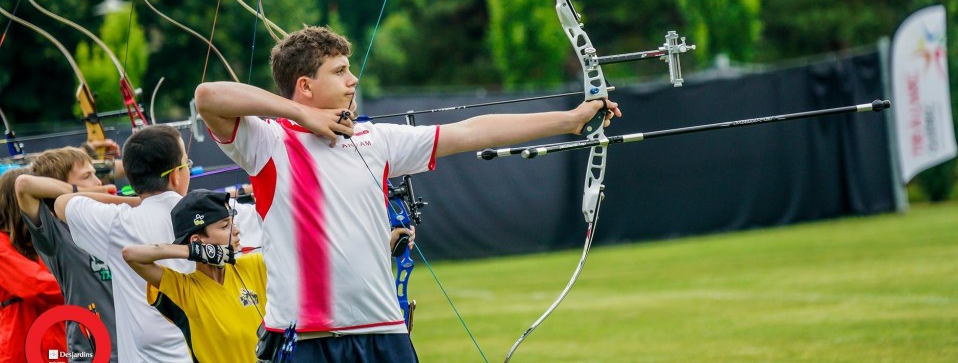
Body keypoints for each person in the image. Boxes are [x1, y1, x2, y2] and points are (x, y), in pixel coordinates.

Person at [194, 25, 621, 362]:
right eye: (340, 71)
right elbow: (208, 96)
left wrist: (570, 120)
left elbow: (472, 132)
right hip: (306, 338)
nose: (353, 79)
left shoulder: (376, 139)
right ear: (304, 85)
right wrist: (299, 113)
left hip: (384, 333)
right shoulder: (268, 143)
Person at [55, 125, 195, 363]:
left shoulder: (117, 224)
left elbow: (62, 202)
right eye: (186, 164)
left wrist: (133, 201)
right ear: (175, 176)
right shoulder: (210, 218)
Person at [122, 189, 266, 363]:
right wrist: (196, 251)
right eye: (225, 226)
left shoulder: (254, 265)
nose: (236, 231)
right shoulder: (184, 290)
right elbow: (131, 255)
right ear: (198, 240)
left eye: (232, 223)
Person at [15, 147, 121, 362]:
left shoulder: (104, 222)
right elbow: (24, 185)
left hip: (133, 349)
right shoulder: (55, 234)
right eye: (87, 176)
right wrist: (79, 191)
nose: (98, 182)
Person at [0, 168, 66, 363]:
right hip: (21, 349)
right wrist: (84, 283)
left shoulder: (40, 240)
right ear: (17, 202)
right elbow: (36, 285)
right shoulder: (2, 246)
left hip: (57, 346)